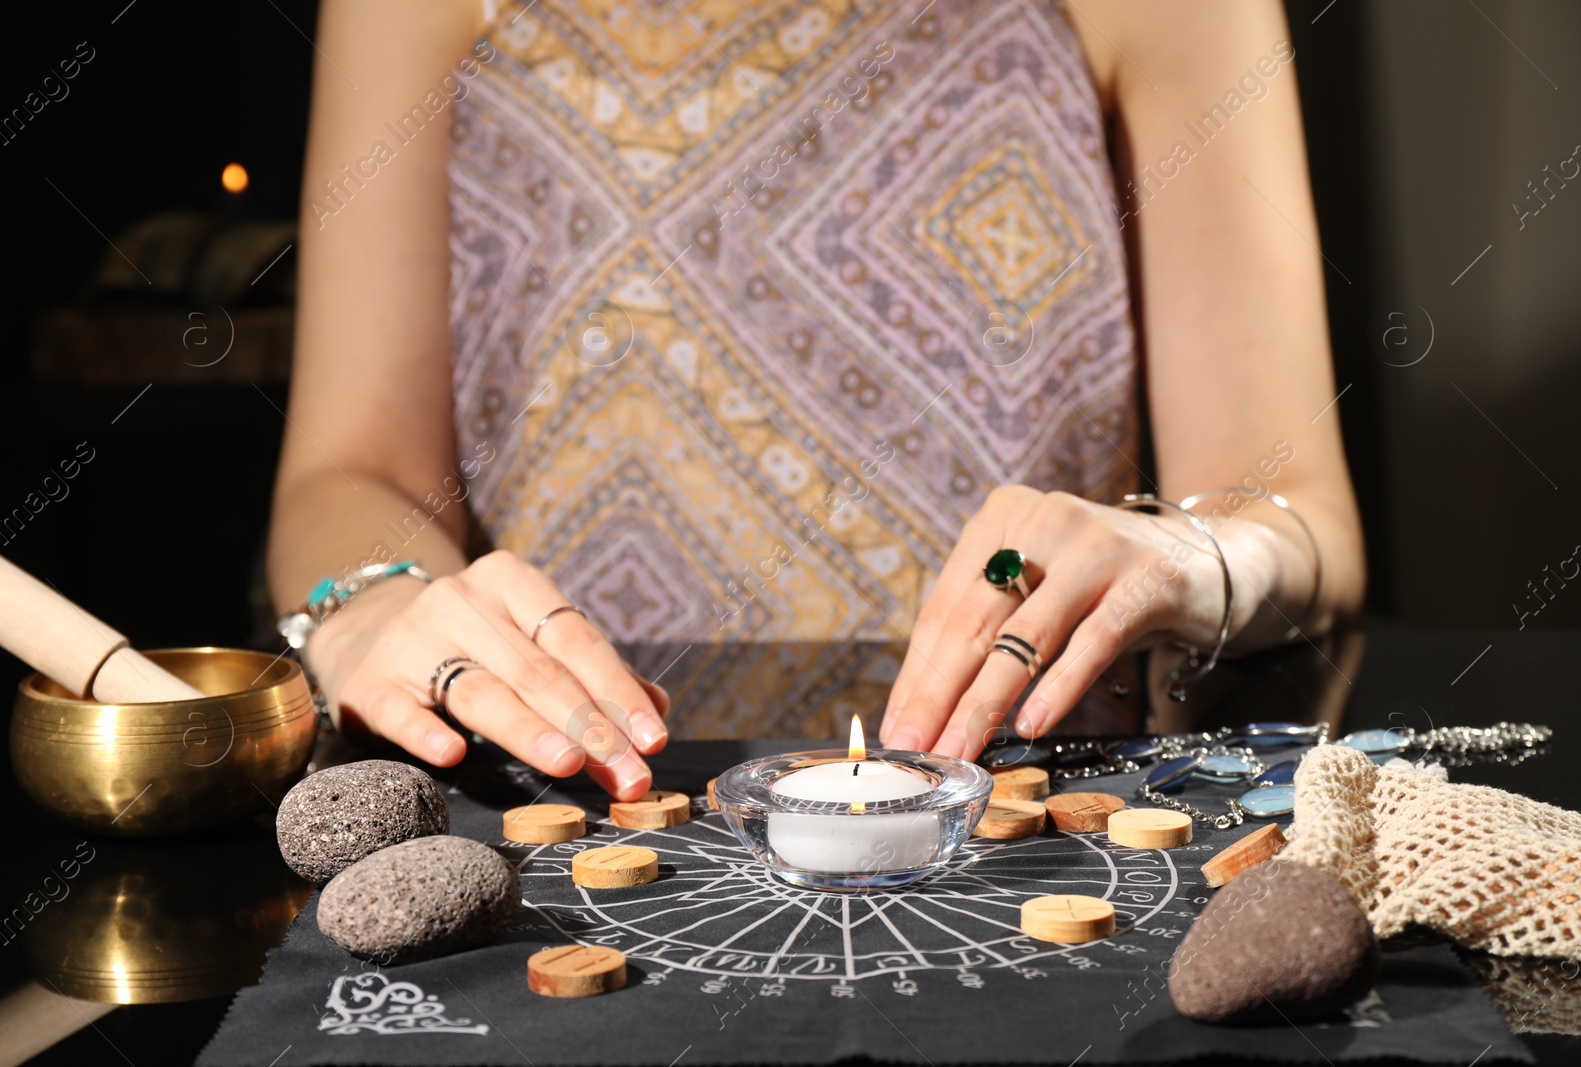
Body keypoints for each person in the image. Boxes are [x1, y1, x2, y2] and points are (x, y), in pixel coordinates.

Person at [267, 0, 1364, 801]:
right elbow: (350, 470)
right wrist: (371, 604)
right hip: (580, 815)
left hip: (1030, 819)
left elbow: (1294, 513)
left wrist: (1188, 555)